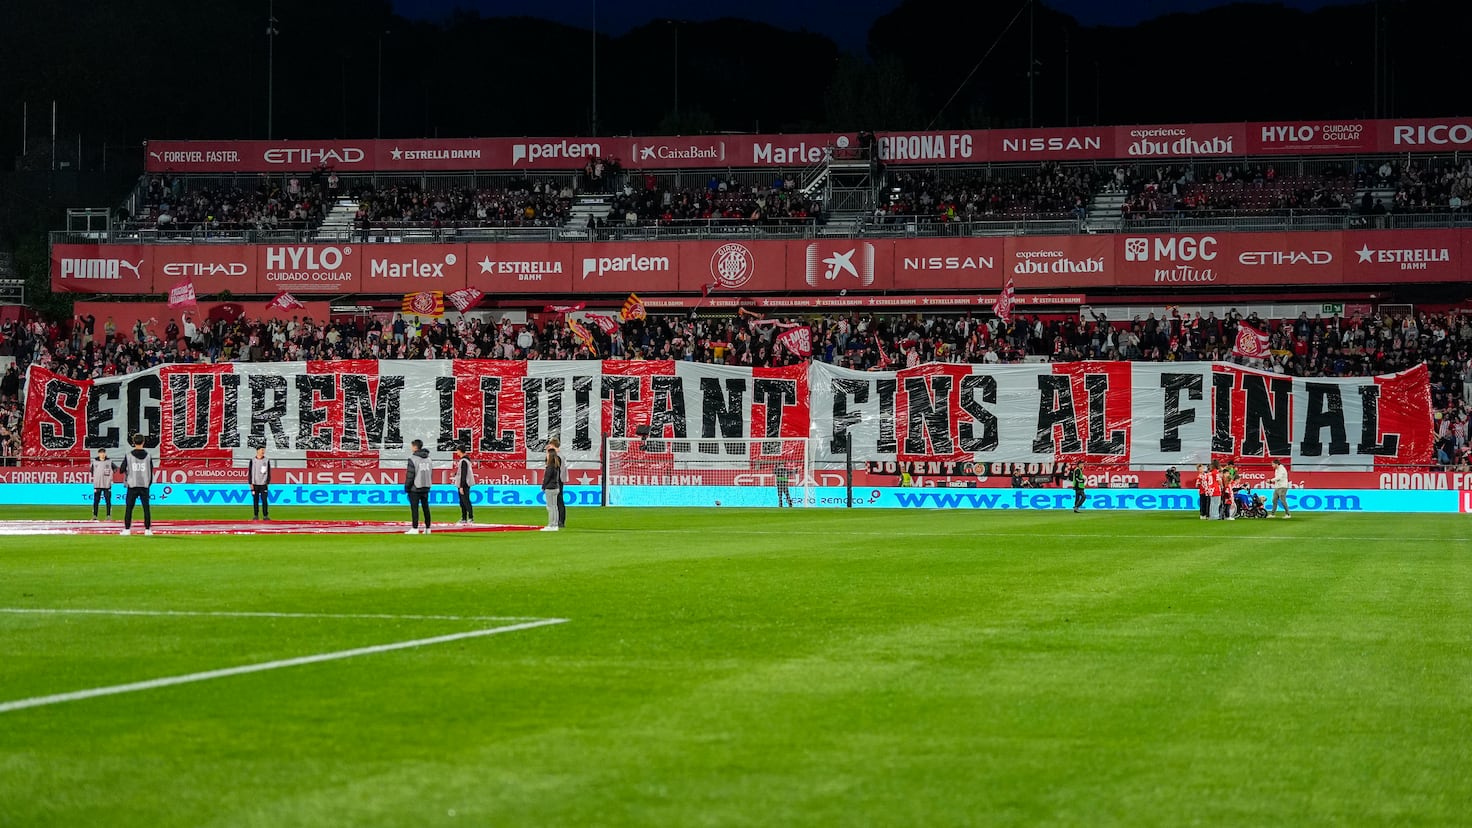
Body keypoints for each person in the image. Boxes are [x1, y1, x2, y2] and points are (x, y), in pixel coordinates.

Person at [118, 434, 154, 536]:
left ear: (133, 442)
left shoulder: (129, 455)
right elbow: (151, 470)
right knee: (146, 508)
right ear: (143, 442)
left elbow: (121, 470)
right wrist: (148, 483)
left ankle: (127, 529)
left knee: (129, 508)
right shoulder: (148, 455)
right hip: (144, 485)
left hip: (132, 484)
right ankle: (147, 530)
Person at [405, 439, 433, 534]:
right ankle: (428, 528)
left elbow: (410, 475)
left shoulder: (413, 459)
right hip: (426, 486)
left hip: (416, 486)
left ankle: (415, 527)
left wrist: (407, 487)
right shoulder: (429, 459)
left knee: (414, 508)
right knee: (426, 507)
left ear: (415, 447)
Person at [540, 441, 564, 531]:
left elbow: (547, 477)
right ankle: (555, 524)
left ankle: (551, 524)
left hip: (550, 487)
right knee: (555, 506)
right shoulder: (557, 465)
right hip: (556, 487)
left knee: (550, 507)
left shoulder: (550, 467)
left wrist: (543, 486)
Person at [248, 447, 272, 521]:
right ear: (257, 451)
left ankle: (265, 515)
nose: (263, 451)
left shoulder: (266, 460)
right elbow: (250, 472)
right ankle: (256, 515)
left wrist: (267, 482)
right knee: (255, 500)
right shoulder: (253, 460)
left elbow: (268, 471)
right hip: (255, 483)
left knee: (264, 500)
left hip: (263, 483)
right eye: (262, 450)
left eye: (264, 450)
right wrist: (250, 483)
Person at [452, 447, 474, 525]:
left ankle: (470, 518)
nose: (457, 452)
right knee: (462, 501)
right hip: (465, 483)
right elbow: (462, 472)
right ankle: (464, 518)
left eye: (457, 450)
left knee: (465, 501)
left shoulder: (463, 461)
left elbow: (464, 474)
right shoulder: (466, 460)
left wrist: (461, 486)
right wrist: (455, 474)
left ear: (460, 451)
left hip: (464, 484)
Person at [91, 449, 114, 521]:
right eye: (101, 453)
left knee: (108, 500)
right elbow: (91, 470)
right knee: (96, 500)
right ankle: (95, 515)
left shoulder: (109, 461)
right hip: (97, 484)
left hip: (107, 484)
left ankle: (108, 516)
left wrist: (109, 478)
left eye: (103, 453)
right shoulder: (94, 462)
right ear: (98, 454)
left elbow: (115, 469)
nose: (102, 454)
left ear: (105, 453)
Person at [549, 438, 567, 527]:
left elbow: (557, 469)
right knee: (558, 500)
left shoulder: (557, 456)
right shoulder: (561, 455)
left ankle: (560, 521)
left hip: (557, 480)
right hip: (560, 479)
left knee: (558, 501)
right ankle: (560, 521)